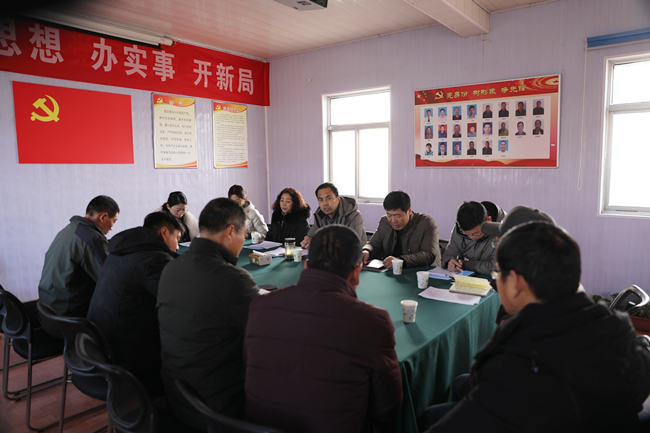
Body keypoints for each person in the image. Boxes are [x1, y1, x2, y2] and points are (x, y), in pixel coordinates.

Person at [423, 222, 650, 433]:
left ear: (516, 283)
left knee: (430, 415)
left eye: (498, 273)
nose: (496, 281)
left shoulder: (519, 361)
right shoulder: (621, 334)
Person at [245, 226, 403, 433]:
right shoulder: (372, 321)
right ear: (357, 272)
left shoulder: (260, 306)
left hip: (255, 428)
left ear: (306, 265)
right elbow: (387, 409)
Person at [157, 198, 259, 430]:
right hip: (217, 406)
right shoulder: (234, 280)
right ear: (230, 231)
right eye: (244, 234)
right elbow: (266, 338)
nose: (244, 240)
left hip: (176, 394)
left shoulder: (171, 267)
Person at [87, 212, 181, 397]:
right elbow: (174, 301)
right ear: (164, 233)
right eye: (177, 238)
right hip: (123, 354)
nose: (177, 246)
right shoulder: (154, 259)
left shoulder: (124, 249)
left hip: (98, 344)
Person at [38, 195, 119, 337]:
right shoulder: (91, 238)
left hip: (48, 313)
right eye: (114, 221)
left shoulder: (69, 230)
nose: (112, 227)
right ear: (103, 217)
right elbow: (109, 280)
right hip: (67, 320)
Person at [362, 191, 440, 269]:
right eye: (389, 215)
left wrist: (400, 261)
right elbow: (374, 244)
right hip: (391, 271)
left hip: (423, 272)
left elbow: (428, 254)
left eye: (397, 216)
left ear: (409, 211)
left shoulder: (426, 223)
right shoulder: (384, 222)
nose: (393, 220)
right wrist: (367, 251)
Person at [442, 201, 504, 274]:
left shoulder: (503, 231)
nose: (471, 237)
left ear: (488, 221)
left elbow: (496, 267)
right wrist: (450, 263)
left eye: (476, 233)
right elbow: (448, 256)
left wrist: (464, 265)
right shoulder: (459, 230)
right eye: (467, 234)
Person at [301, 182, 367, 249]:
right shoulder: (320, 215)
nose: (325, 203)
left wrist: (318, 243)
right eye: (321, 200)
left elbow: (352, 244)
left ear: (338, 198)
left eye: (328, 198)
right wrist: (307, 242)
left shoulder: (354, 215)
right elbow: (311, 236)